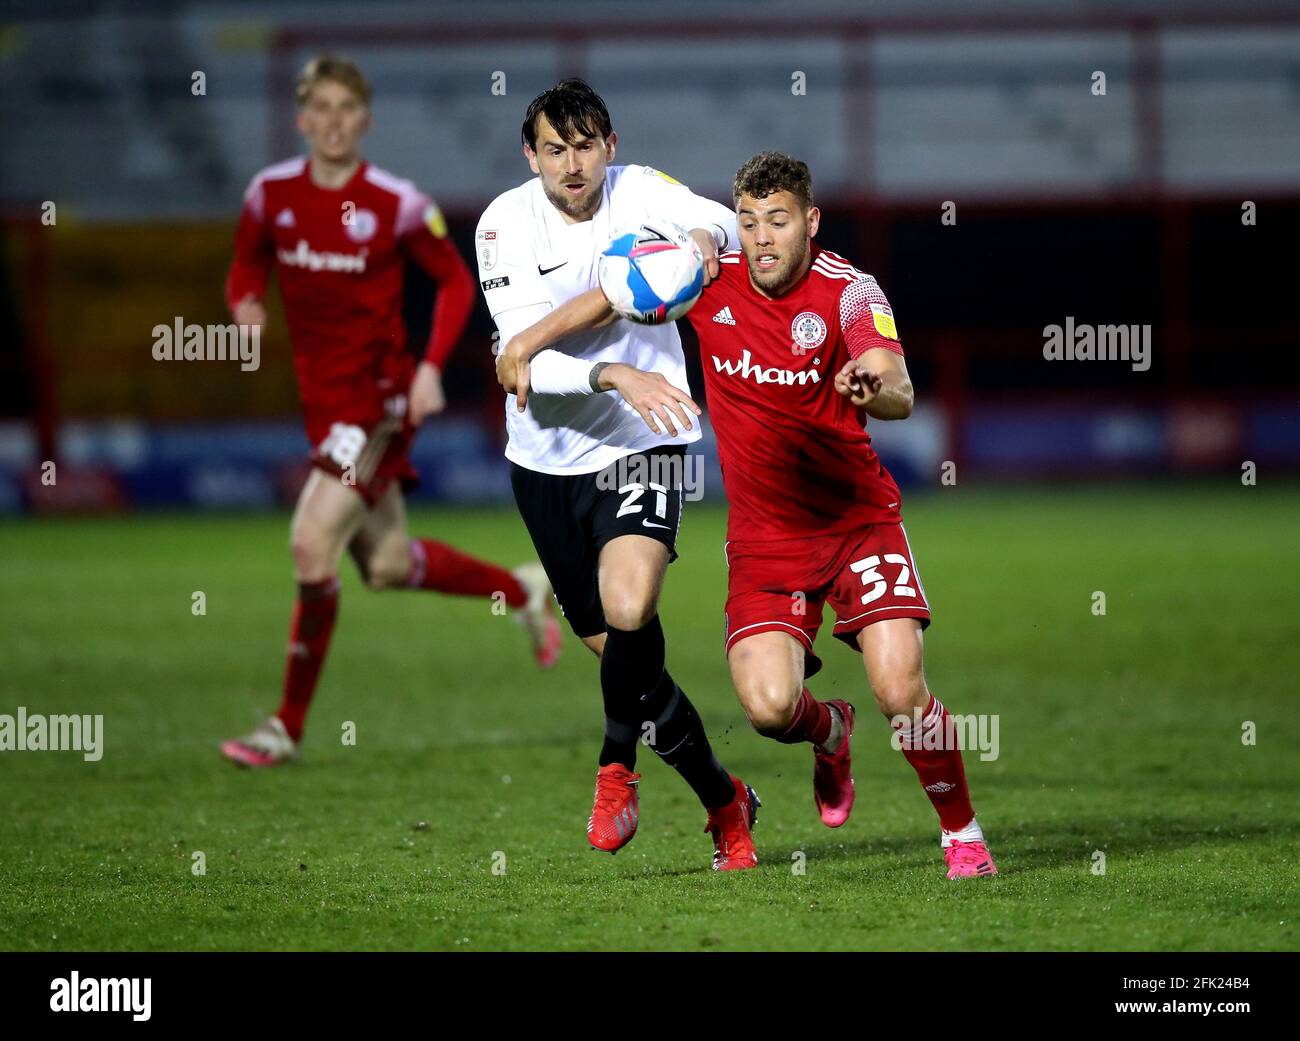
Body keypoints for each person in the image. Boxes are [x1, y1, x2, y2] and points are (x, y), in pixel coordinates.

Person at [498, 151, 997, 879]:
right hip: (765, 541)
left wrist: (871, 385)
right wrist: (527, 341)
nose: (762, 237)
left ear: (810, 221)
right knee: (769, 707)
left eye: (780, 220)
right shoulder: (709, 279)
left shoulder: (850, 292)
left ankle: (962, 832)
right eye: (751, 221)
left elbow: (899, 385)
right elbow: (614, 293)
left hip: (857, 523)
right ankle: (830, 731)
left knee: (898, 685)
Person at [220, 56, 560, 769]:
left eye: (349, 108)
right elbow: (247, 266)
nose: (335, 121)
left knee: (311, 542)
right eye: (323, 108)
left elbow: (454, 283)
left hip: (380, 402)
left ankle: (284, 725)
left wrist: (430, 370)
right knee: (382, 564)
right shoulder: (269, 195)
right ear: (303, 117)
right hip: (323, 404)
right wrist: (244, 306)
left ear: (366, 119)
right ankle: (523, 588)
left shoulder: (396, 203)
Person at [479, 79, 758, 870]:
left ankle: (614, 767)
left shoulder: (638, 192)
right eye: (556, 149)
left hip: (646, 437)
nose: (574, 164)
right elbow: (523, 363)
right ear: (530, 155)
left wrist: (704, 244)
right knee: (635, 669)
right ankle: (727, 803)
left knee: (631, 602)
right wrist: (615, 376)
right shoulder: (502, 225)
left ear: (611, 144)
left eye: (587, 145)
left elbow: (709, 216)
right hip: (545, 458)